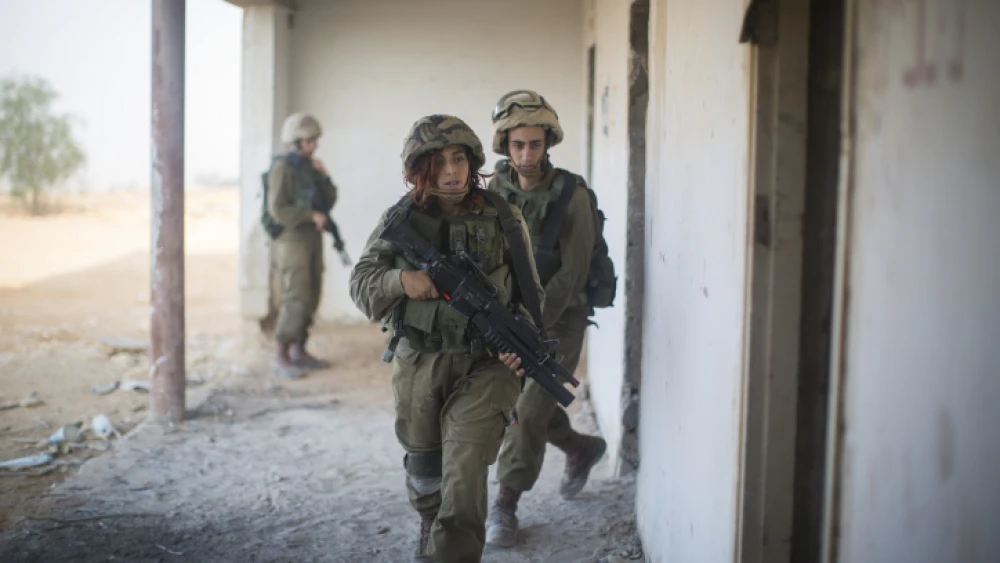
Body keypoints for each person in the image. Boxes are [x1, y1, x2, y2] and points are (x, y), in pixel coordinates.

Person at [349, 115, 545, 562]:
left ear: (473, 161)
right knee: (425, 472)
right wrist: (402, 281)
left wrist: (524, 345)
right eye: (437, 163)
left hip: (486, 365)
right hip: (421, 360)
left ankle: (449, 547)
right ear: (420, 169)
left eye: (458, 159)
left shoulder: (503, 216)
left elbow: (531, 296)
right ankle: (427, 522)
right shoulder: (401, 218)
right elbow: (362, 285)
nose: (451, 171)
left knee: (465, 478)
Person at [484, 90, 608, 547]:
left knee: (528, 411)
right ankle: (581, 448)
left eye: (535, 144)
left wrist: (529, 328)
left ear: (548, 142)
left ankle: (505, 505)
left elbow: (573, 274)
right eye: (518, 144)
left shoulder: (571, 195)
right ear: (505, 145)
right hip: (508, 320)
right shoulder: (492, 193)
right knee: (513, 405)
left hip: (559, 320)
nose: (527, 154)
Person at [266, 112, 338, 379]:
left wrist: (325, 177)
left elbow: (328, 201)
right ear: (296, 141)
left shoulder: (310, 167)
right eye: (309, 140)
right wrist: (309, 216)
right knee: (296, 294)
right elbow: (277, 209)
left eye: (314, 140)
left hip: (311, 237)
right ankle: (281, 354)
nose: (314, 145)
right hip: (291, 238)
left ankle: (299, 349)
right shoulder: (282, 168)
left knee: (313, 291)